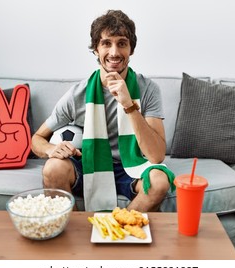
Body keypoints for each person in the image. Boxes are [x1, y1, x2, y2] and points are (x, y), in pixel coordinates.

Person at [31, 10, 174, 212]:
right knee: (53, 167)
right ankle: (76, 236)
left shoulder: (148, 89)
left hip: (132, 166)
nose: (114, 52)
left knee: (159, 182)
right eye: (106, 43)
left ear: (131, 49)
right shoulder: (78, 95)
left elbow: (157, 156)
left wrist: (129, 106)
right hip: (89, 163)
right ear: (96, 50)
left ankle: (117, 230)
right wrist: (49, 149)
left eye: (122, 43)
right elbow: (36, 138)